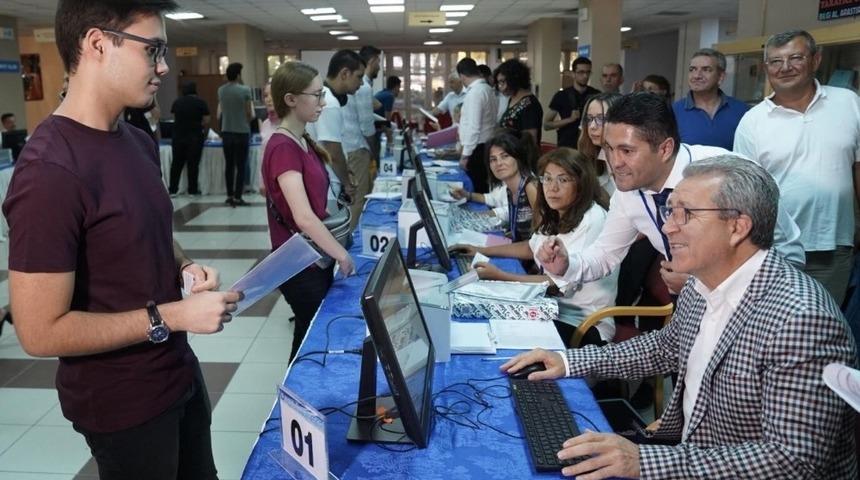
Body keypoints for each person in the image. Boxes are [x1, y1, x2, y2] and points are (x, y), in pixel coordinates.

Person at [2, 1, 242, 478]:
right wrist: (173, 316)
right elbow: (38, 331)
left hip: (177, 372)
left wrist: (184, 267)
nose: (163, 67)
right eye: (152, 49)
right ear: (97, 44)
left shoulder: (136, 140)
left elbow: (149, 233)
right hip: (122, 402)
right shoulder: (50, 170)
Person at [505, 156, 857, 479]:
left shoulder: (801, 319)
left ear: (738, 227)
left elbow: (792, 461)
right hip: (692, 455)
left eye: (684, 214)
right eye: (669, 211)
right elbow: (664, 347)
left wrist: (645, 461)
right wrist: (569, 361)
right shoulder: (702, 284)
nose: (668, 228)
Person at [535, 93, 804, 296]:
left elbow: (789, 257)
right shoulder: (628, 193)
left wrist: (704, 282)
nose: (615, 162)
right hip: (689, 305)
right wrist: (567, 265)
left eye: (627, 151)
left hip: (757, 306)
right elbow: (605, 254)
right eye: (609, 148)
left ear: (664, 149)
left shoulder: (729, 174)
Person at [734, 30, 860, 306]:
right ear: (766, 68)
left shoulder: (848, 103)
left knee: (826, 321)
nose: (785, 67)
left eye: (795, 58)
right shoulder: (752, 122)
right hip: (775, 248)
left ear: (816, 60)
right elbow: (745, 194)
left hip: (835, 245)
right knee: (775, 323)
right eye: (776, 61)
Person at [454, 148, 617, 346]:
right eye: (547, 179)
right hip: (550, 307)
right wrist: (481, 250)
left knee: (496, 334)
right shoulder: (557, 210)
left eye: (563, 180)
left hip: (582, 323)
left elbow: (555, 283)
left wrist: (500, 276)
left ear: (581, 184)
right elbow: (531, 248)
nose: (552, 187)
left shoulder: (592, 218)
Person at [264, 61, 355, 362]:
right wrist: (341, 254)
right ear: (291, 99)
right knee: (311, 343)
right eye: (316, 95)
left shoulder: (301, 140)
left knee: (309, 336)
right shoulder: (283, 147)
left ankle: (297, 390)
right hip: (300, 263)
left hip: (315, 255)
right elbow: (303, 216)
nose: (323, 102)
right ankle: (295, 391)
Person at [450, 129, 539, 242]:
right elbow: (518, 235)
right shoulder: (510, 189)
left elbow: (540, 241)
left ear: (518, 158)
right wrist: (468, 195)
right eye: (493, 159)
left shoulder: (530, 187)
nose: (499, 163)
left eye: (505, 156)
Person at [306, 49, 365, 212]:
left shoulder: (323, 97)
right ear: (345, 74)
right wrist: (347, 183)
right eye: (359, 77)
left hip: (323, 180)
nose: (361, 83)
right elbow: (333, 152)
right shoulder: (329, 103)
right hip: (328, 185)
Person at [673, 48, 748, 150]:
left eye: (706, 70)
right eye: (692, 69)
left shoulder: (742, 111)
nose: (697, 76)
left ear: (721, 77)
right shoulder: (673, 112)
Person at [457, 57, 498, 194]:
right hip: (486, 145)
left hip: (477, 148)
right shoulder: (488, 89)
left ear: (462, 76)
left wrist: (465, 155)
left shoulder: (475, 92)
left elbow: (474, 127)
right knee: (482, 187)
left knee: (477, 188)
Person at [217, 61, 254, 206]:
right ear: (238, 75)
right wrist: (246, 121)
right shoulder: (245, 90)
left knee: (229, 165)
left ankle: (229, 195)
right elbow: (249, 112)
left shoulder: (221, 90)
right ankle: (238, 196)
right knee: (241, 165)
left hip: (226, 131)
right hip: (242, 131)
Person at [545, 57, 600, 148]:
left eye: (588, 72)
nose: (585, 76)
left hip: (589, 146)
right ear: (573, 74)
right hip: (566, 146)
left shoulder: (596, 95)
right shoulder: (562, 95)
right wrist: (569, 119)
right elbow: (546, 125)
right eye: (581, 72)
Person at [577, 92, 623, 199]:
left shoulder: (635, 159)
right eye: (589, 119)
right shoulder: (591, 157)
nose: (592, 126)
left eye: (601, 119)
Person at [168, 80, 209, 196]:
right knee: (193, 164)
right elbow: (206, 120)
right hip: (195, 137)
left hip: (178, 137)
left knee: (176, 164)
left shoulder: (177, 102)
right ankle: (192, 190)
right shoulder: (200, 102)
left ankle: (173, 189)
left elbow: (174, 117)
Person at [496, 59, 543, 148]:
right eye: (499, 82)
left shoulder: (529, 104)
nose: (500, 87)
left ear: (514, 79)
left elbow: (531, 139)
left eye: (502, 82)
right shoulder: (512, 99)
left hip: (522, 153)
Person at [357, 45, 382, 166]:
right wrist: (374, 154)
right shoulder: (364, 86)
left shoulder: (364, 84)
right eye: (378, 62)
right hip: (361, 148)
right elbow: (367, 127)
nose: (379, 67)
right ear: (372, 61)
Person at [374, 75, 401, 147]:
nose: (399, 90)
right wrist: (390, 143)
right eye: (399, 87)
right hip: (374, 127)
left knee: (393, 126)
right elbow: (387, 122)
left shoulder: (382, 93)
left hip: (373, 125)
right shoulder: (389, 96)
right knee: (394, 127)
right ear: (396, 87)